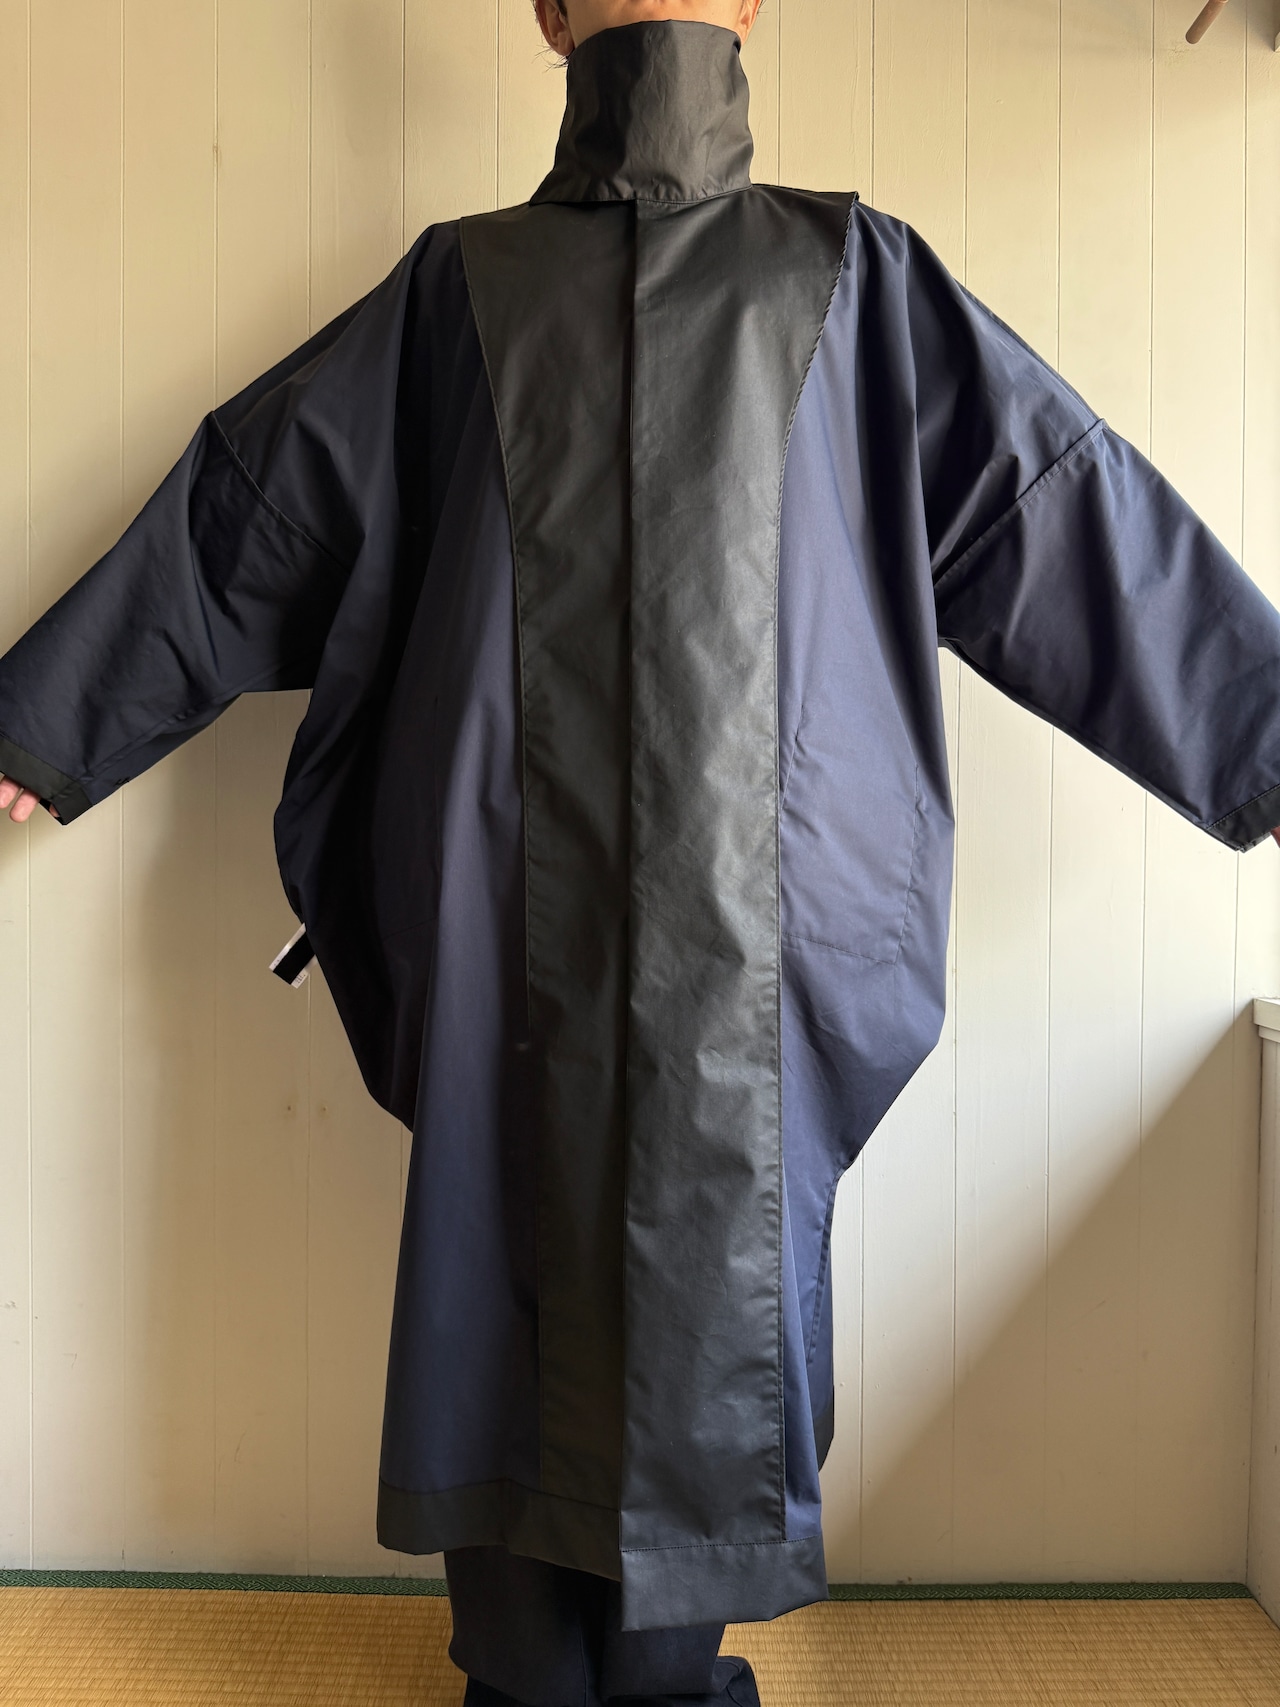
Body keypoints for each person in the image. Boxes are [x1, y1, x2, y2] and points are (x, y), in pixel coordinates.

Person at [2, 0, 1279, 1702]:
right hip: (503, 905)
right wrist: (49, 718)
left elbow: (1061, 513)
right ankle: (526, 1670)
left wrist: (1258, 726)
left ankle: (661, 1675)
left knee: (709, 1269)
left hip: (764, 910)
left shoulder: (856, 282)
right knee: (505, 1267)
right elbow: (254, 509)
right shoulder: (459, 293)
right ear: (546, 10)